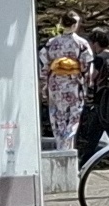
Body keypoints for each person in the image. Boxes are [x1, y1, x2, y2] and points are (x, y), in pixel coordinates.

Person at [38, 11, 93, 152]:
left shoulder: (52, 42)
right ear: (75, 24)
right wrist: (87, 83)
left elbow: (44, 62)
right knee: (73, 115)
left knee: (57, 115)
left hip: (55, 83)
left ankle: (60, 144)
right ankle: (67, 146)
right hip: (73, 83)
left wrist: (44, 83)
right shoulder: (81, 43)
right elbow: (86, 66)